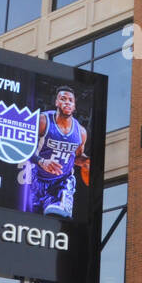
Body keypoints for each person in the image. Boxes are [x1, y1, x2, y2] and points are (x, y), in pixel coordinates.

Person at [28, 86, 89, 217]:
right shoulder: (43, 121)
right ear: (56, 102)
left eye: (70, 100)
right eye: (63, 99)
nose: (67, 102)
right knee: (33, 222)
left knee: (57, 215)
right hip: (37, 179)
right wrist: (41, 161)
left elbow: (77, 157)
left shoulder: (81, 132)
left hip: (62, 182)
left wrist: (87, 162)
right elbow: (24, 148)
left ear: (74, 106)